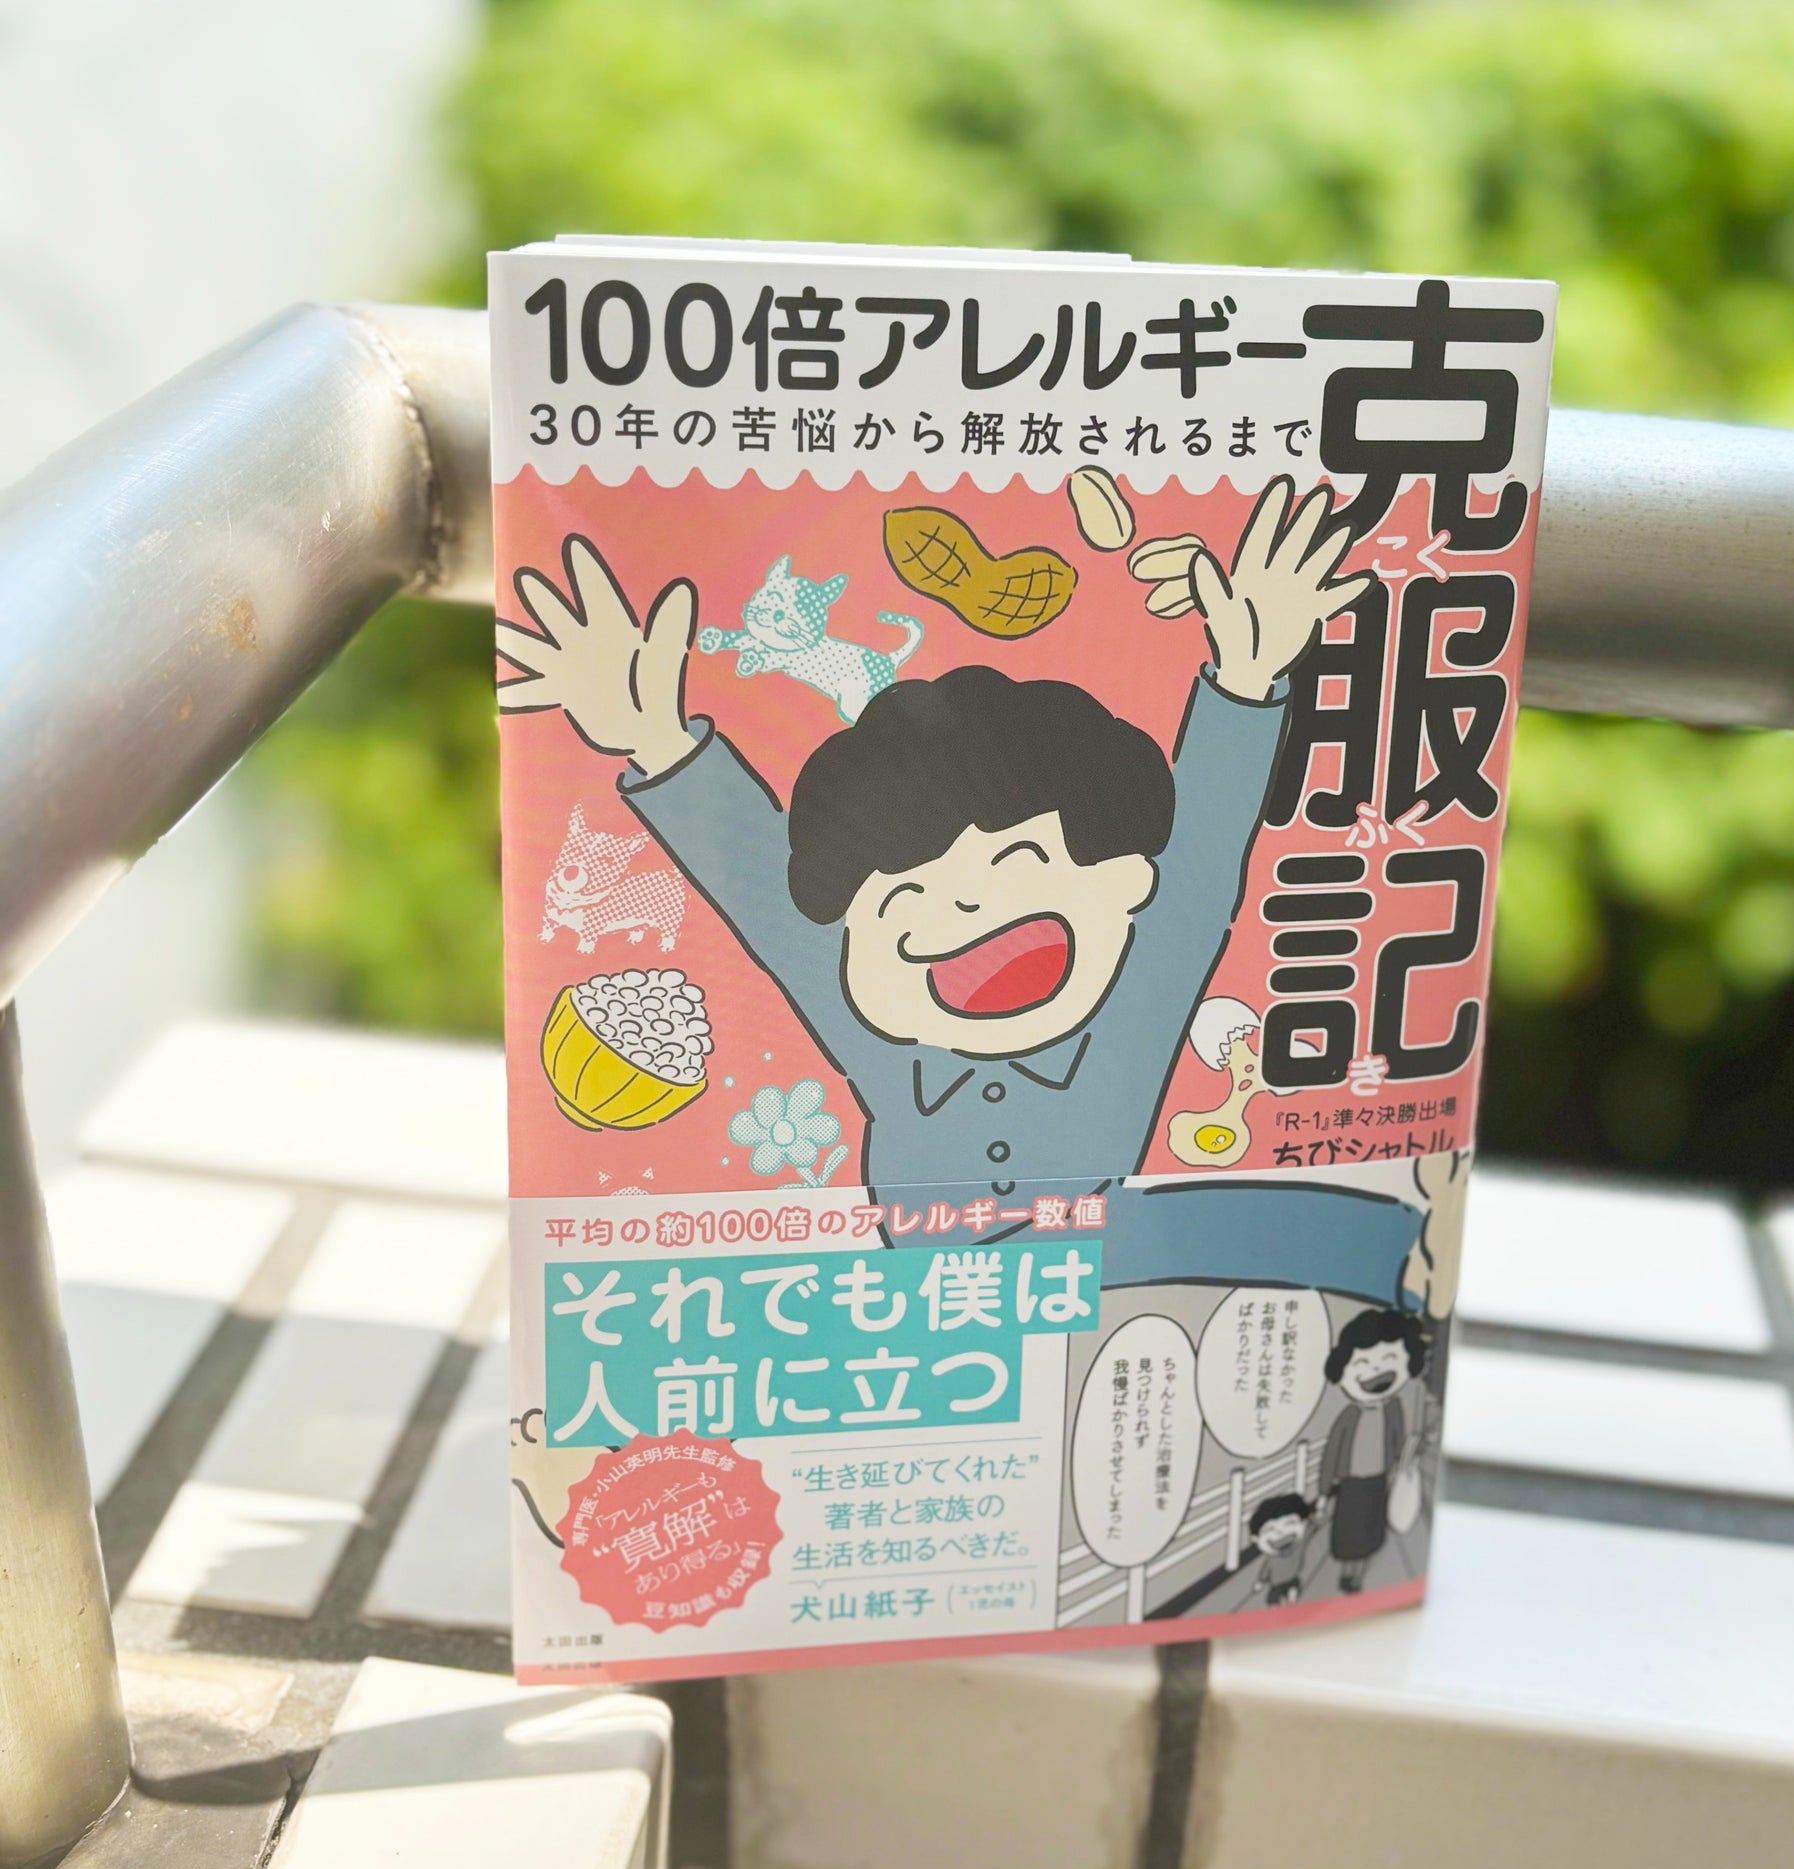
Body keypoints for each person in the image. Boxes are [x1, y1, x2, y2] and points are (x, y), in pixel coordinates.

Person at [498, 481, 1417, 1295]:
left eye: (1018, 871)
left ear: (1125, 881)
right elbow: (760, 896)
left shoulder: (1134, 1011)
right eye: (907, 908)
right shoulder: (879, 1032)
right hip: (919, 1312)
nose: (965, 913)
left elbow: (1205, 862)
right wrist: (657, 742)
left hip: (1113, 1282)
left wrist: (1248, 680)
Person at [1318, 1308, 1428, 1594]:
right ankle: (1347, 1572)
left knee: (1371, 1532)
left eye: (1389, 1360)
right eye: (1362, 1363)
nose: (1376, 1371)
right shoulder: (1349, 1415)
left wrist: (1406, 1458)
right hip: (1351, 1484)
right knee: (1347, 1533)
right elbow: (1332, 1453)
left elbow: (1397, 1440)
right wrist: (1323, 1491)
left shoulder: (1393, 1409)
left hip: (1379, 1480)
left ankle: (1359, 1575)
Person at [1248, 1490, 1316, 1606]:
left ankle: (1292, 1594)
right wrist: (1260, 1582)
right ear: (1256, 1539)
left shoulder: (1298, 1545)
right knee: (1273, 1600)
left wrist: (1260, 1583)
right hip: (1277, 1584)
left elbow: (1310, 1528)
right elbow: (1264, 1570)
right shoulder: (1275, 1557)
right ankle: (1289, 1597)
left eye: (1289, 1524)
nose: (1281, 1535)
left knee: (1290, 1590)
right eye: (1271, 1530)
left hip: (1288, 1580)